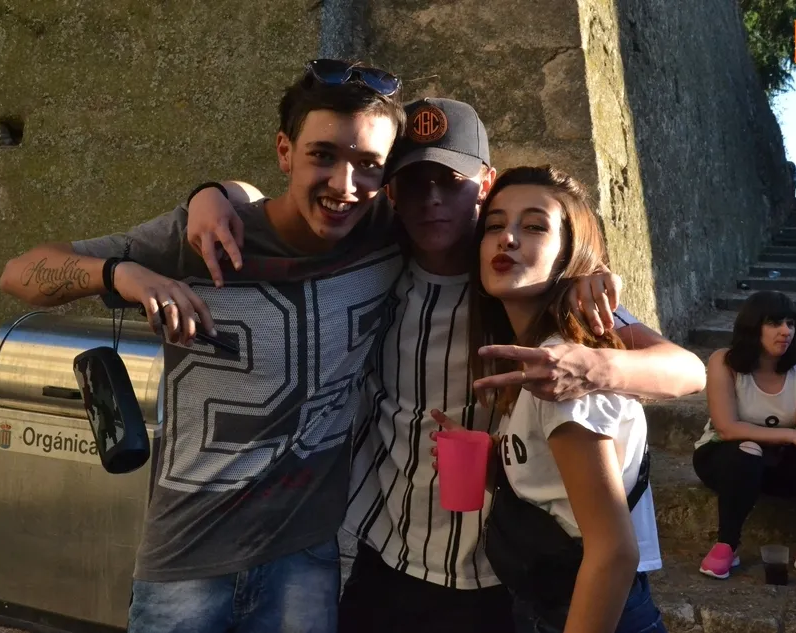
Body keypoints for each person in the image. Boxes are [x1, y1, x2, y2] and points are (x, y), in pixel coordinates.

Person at [186, 98, 706, 633]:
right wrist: (211, 194)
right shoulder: (370, 259)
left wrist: (593, 365)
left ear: (484, 182)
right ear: (391, 191)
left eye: (450, 181)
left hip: (500, 577)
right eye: (413, 183)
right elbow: (279, 204)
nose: (431, 199)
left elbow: (689, 371)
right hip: (384, 557)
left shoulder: (536, 285)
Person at [0, 59, 410, 633]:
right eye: (322, 155)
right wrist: (123, 273)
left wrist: (216, 189)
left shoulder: (391, 232)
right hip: (184, 558)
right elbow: (19, 274)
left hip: (304, 554)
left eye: (368, 164)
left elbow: (490, 217)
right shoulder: (206, 236)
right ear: (285, 151)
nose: (345, 185)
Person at [435, 165, 667, 633]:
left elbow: (613, 552)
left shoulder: (564, 372)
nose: (507, 239)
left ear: (569, 253)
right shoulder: (540, 359)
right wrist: (497, 469)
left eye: (535, 226)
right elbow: (564, 506)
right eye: (494, 225)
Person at [692, 291, 796, 583]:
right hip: (726, 461)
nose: (786, 331)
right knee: (746, 449)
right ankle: (727, 544)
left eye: (791, 323)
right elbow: (726, 427)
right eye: (775, 323)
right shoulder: (724, 362)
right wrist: (791, 435)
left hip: (778, 465)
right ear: (753, 326)